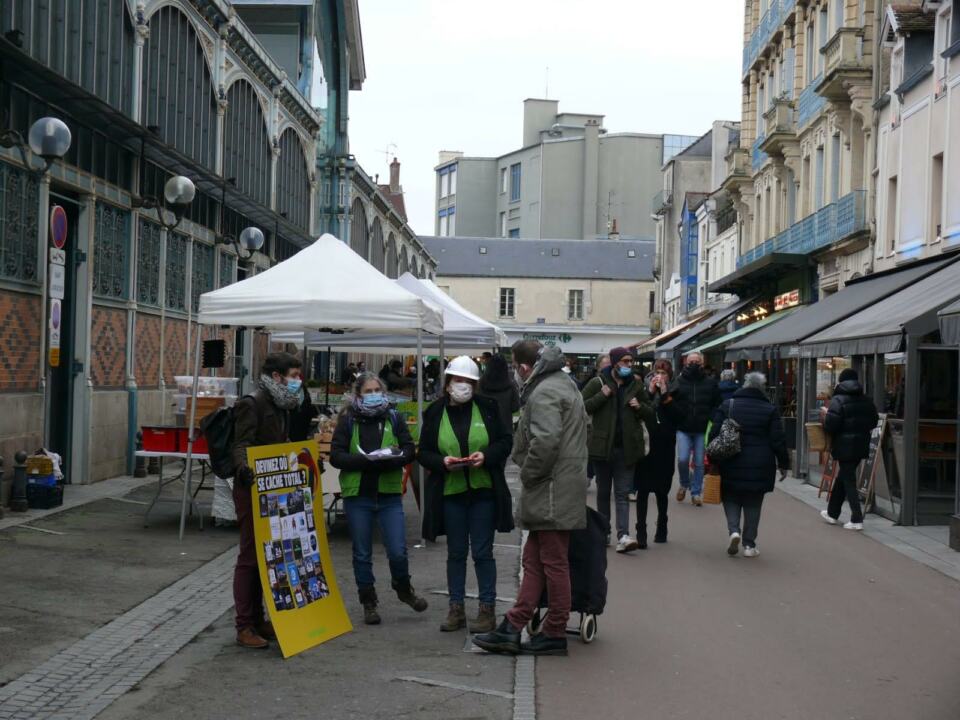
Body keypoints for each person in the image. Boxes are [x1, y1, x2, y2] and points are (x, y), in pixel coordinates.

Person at [473, 342, 588, 657]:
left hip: (551, 486)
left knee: (551, 561)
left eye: (515, 367)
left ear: (523, 367)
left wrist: (529, 474)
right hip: (558, 484)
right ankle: (513, 624)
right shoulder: (561, 384)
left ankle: (553, 630)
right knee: (535, 560)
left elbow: (546, 440)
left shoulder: (545, 391)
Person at [420, 356, 514, 633]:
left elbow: (505, 441)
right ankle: (456, 609)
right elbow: (423, 452)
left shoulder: (487, 408)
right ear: (448, 384)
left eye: (469, 382)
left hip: (483, 491)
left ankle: (487, 610)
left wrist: (486, 456)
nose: (463, 386)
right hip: (451, 493)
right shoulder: (435, 412)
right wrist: (442, 463)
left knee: (483, 552)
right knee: (456, 553)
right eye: (458, 381)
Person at [329, 372, 427, 625]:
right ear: (358, 395)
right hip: (358, 495)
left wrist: (393, 458)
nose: (373, 396)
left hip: (388, 495)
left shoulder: (394, 417)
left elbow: (409, 449)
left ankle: (404, 589)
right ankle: (368, 602)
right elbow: (336, 456)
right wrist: (363, 460)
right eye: (368, 392)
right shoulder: (348, 421)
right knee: (362, 552)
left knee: (397, 550)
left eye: (377, 391)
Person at [230, 352, 302, 649]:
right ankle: (244, 624)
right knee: (249, 556)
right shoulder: (253, 403)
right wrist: (246, 469)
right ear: (277, 376)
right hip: (252, 487)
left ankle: (258, 619)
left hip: (273, 487)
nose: (298, 381)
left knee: (266, 555)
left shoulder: (281, 403)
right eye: (294, 375)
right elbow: (241, 444)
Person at [708, 372, 789, 557]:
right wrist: (784, 464)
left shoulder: (729, 405)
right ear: (762, 388)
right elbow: (778, 440)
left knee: (730, 497)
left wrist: (712, 459)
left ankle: (734, 531)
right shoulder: (769, 409)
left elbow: (714, 433)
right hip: (761, 462)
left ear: (744, 385)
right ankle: (749, 545)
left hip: (730, 460)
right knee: (753, 502)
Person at [581, 347, 651, 552]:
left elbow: (650, 412)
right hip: (602, 447)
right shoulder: (598, 383)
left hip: (627, 448)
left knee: (622, 494)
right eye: (625, 362)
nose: (629, 365)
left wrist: (640, 406)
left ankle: (624, 536)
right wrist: (601, 396)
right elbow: (581, 406)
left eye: (631, 362)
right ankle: (604, 532)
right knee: (603, 493)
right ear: (614, 362)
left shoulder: (636, 385)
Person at [821, 368, 879, 531]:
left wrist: (826, 417)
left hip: (844, 445)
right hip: (861, 444)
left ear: (841, 382)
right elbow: (874, 422)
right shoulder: (866, 400)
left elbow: (831, 426)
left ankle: (856, 518)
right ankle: (832, 513)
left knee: (849, 480)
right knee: (843, 477)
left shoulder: (838, 400)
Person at [635, 359, 683, 547]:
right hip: (646, 444)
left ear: (669, 375)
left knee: (662, 490)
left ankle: (662, 526)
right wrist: (650, 393)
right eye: (657, 372)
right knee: (643, 489)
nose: (660, 376)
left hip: (665, 445)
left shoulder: (677, 391)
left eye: (664, 373)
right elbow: (639, 412)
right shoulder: (643, 390)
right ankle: (641, 532)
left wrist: (665, 396)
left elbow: (680, 416)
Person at [672, 351, 721, 506]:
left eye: (697, 362)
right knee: (683, 459)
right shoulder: (678, 381)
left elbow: (717, 403)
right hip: (683, 427)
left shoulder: (710, 382)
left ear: (702, 363)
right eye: (691, 361)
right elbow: (670, 401)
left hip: (701, 428)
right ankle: (684, 483)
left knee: (699, 462)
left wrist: (711, 418)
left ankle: (696, 492)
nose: (694, 364)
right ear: (686, 363)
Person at [478, 354, 521, 433]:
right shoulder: (510, 385)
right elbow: (515, 407)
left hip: (484, 428)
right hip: (505, 429)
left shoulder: (480, 384)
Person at [586, 353, 612, 484]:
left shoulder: (620, 382)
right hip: (596, 432)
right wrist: (602, 395)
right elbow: (583, 406)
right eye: (605, 365)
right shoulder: (595, 382)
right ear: (598, 367)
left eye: (610, 364)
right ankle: (589, 475)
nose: (609, 367)